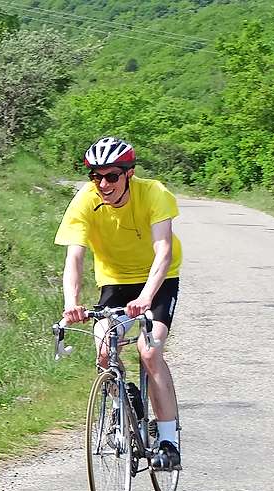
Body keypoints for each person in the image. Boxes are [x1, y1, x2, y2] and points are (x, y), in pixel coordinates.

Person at [56, 136, 183, 470]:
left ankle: (168, 440)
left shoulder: (154, 193)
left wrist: (146, 298)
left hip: (159, 279)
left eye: (111, 176)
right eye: (96, 176)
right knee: (103, 346)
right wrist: (72, 303)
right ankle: (123, 403)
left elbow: (164, 251)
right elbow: (75, 258)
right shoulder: (84, 200)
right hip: (114, 281)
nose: (103, 183)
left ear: (129, 173)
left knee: (150, 350)